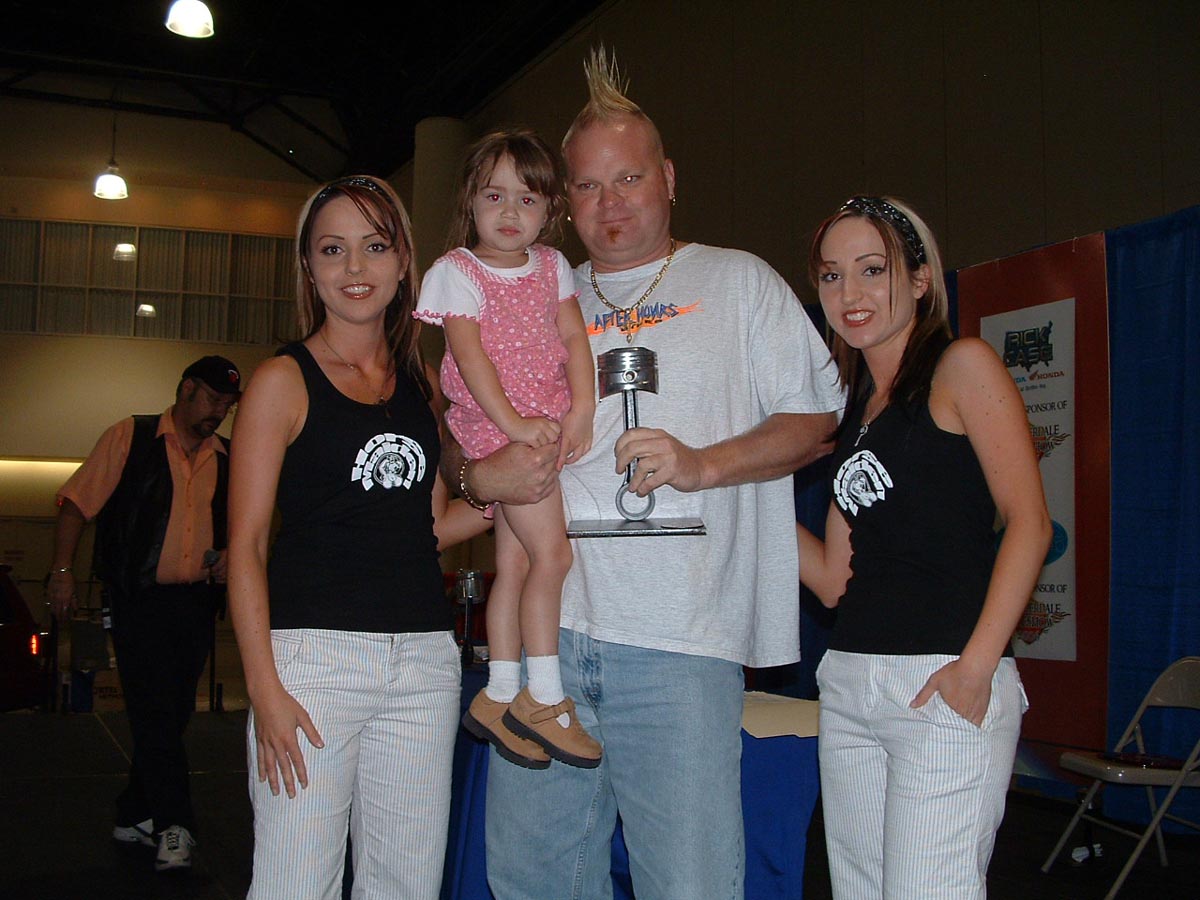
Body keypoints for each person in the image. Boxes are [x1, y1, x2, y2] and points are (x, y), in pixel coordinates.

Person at [447, 51, 844, 898]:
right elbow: (460, 429)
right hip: (548, 643)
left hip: (681, 647)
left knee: (688, 885)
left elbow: (816, 421)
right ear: (563, 201)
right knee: (532, 881)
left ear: (668, 178)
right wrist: (481, 476)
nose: (611, 203)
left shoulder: (739, 282)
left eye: (629, 178)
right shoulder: (530, 287)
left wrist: (702, 463)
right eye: (588, 186)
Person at [226, 175, 488, 899]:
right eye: (332, 249)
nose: (354, 268)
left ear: (403, 261)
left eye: (374, 247)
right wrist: (265, 690)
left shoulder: (421, 382)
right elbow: (246, 545)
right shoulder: (282, 380)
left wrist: (516, 495)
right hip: (313, 663)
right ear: (309, 267)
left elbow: (427, 528)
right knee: (295, 883)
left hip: (422, 662)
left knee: (406, 884)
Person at [796, 196, 1052, 898]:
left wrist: (976, 668)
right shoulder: (856, 410)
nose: (850, 293)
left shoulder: (961, 366)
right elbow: (834, 579)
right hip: (852, 680)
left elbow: (1030, 522)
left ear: (919, 278)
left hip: (941, 679)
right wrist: (732, 495)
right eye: (831, 275)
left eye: (872, 269)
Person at [415, 128, 599, 770]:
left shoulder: (552, 267)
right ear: (471, 200)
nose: (510, 212)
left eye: (527, 198)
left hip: (539, 427)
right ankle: (543, 697)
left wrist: (582, 408)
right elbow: (470, 359)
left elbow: (574, 341)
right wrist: (515, 426)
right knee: (555, 556)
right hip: (499, 432)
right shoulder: (456, 272)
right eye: (495, 196)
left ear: (550, 209)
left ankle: (498, 692)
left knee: (517, 564)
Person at [48, 355, 242, 872]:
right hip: (138, 598)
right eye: (213, 400)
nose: (219, 412)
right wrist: (62, 571)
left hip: (195, 602)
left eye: (227, 405)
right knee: (155, 710)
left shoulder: (227, 456)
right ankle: (176, 825)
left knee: (171, 714)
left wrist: (230, 554)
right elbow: (75, 504)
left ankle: (133, 812)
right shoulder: (130, 438)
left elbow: (244, 524)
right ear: (186, 390)